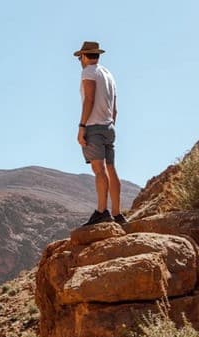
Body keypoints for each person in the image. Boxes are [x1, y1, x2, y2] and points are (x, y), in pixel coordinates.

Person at [74, 41, 126, 226]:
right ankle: (118, 214)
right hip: (109, 126)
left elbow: (89, 99)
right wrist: (110, 125)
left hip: (94, 126)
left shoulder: (89, 71)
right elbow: (115, 109)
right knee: (111, 168)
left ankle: (102, 211)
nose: (80, 60)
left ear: (85, 56)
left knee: (99, 170)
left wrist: (82, 126)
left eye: (80, 57)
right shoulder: (108, 74)